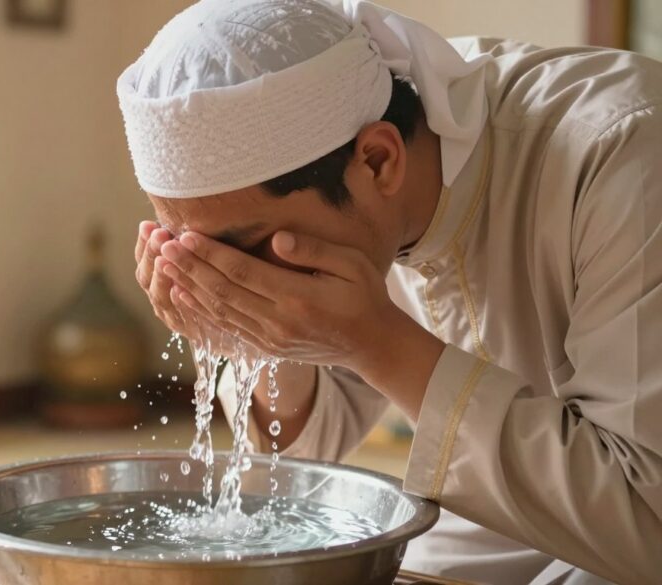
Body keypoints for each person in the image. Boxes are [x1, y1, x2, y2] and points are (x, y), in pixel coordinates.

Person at [118, 1, 662, 583]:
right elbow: (303, 448)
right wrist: (245, 330)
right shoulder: (362, 185)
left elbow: (646, 523)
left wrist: (375, 341)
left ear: (379, 161)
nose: (225, 272)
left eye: (244, 249)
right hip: (483, 520)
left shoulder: (622, 154)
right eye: (191, 246)